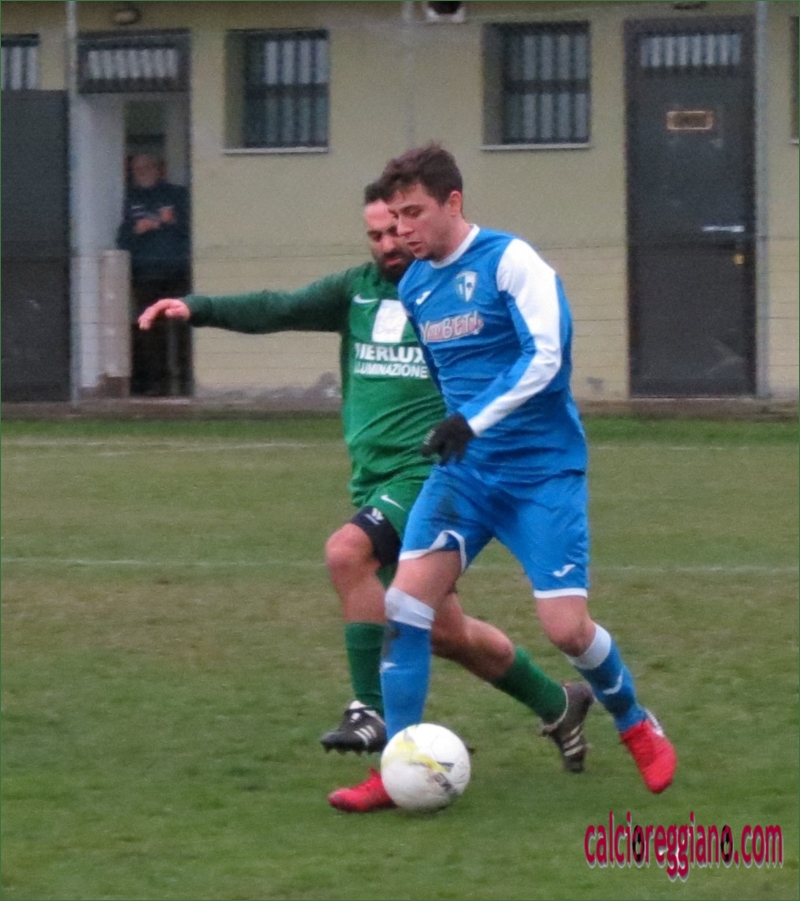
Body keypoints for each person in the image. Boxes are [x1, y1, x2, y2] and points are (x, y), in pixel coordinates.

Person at [138, 182, 594, 811]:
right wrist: (196, 308)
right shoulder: (354, 291)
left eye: (398, 228)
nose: (389, 243)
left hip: (431, 475)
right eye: (376, 234)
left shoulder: (446, 291)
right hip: (373, 478)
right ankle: (559, 703)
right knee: (445, 633)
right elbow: (277, 307)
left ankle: (369, 711)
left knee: (347, 552)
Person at [331, 144, 677, 812]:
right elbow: (446, 377)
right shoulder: (415, 286)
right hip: (466, 477)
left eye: (414, 213)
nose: (402, 230)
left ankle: (635, 722)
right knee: (404, 607)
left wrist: (471, 420)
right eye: (395, 217)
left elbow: (548, 358)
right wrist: (454, 429)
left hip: (541, 474)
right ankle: (396, 768)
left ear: (453, 202)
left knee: (567, 629)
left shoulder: (512, 262)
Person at [117, 153, 192, 397]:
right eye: (137, 168)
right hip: (145, 273)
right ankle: (156, 383)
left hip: (177, 271)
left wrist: (169, 222)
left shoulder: (177, 195)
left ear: (159, 168)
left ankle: (185, 380)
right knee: (149, 329)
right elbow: (122, 239)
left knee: (182, 327)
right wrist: (137, 230)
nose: (143, 172)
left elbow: (192, 229)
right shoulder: (130, 199)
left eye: (147, 166)